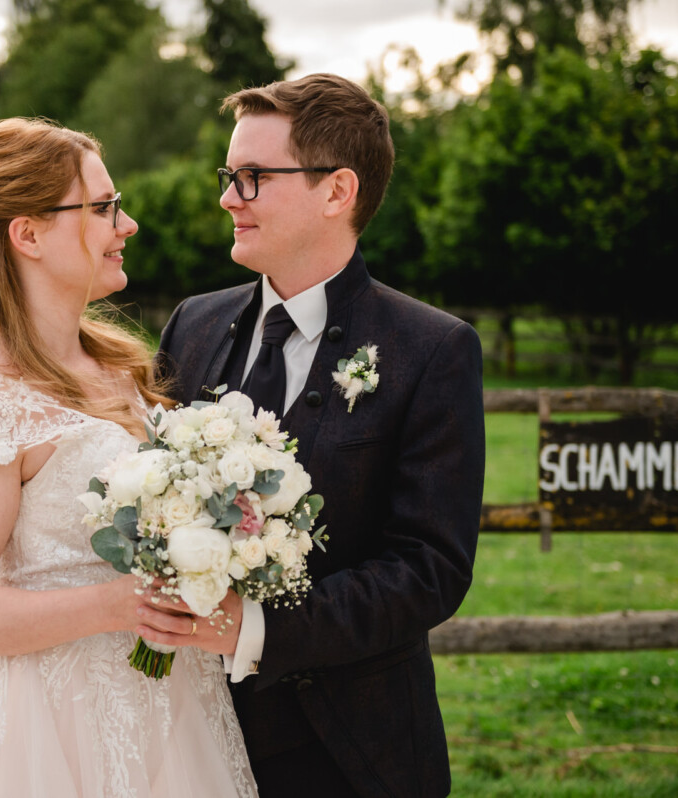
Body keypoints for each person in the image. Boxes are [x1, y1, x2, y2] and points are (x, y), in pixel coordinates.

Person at [0, 118, 257, 797]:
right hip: (48, 731)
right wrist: (116, 606)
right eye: (104, 207)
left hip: (174, 710)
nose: (129, 224)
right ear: (28, 234)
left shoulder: (115, 362)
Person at [148, 74, 486, 797]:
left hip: (348, 749)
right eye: (228, 176)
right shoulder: (194, 324)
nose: (227, 199)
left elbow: (430, 568)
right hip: (185, 732)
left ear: (337, 192)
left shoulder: (430, 349)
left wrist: (257, 628)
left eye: (253, 178)